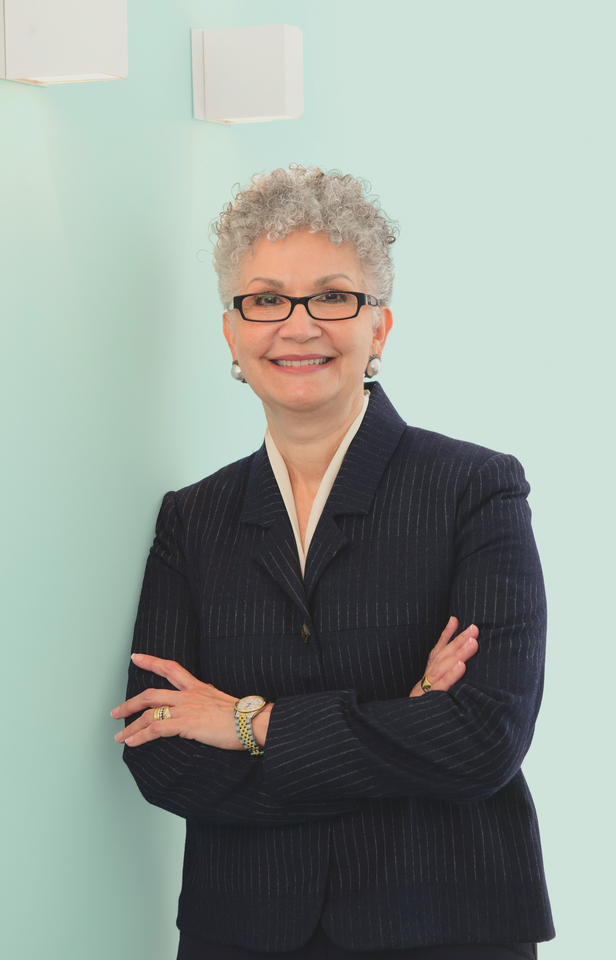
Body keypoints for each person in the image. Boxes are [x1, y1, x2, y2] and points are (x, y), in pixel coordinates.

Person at [111, 164, 554, 960]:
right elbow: (164, 754)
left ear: (378, 327)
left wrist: (247, 724)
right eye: (266, 300)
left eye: (333, 297)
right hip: (242, 931)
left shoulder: (475, 489)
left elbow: (483, 738)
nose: (298, 325)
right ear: (232, 333)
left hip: (446, 925)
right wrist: (403, 727)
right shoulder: (192, 519)